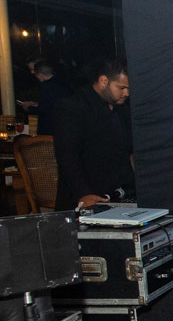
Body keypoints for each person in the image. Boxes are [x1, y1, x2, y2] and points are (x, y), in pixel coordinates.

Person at [52, 57, 134, 210]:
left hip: (120, 195)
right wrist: (83, 193)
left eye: (128, 88)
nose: (126, 93)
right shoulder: (73, 106)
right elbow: (67, 156)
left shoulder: (122, 109)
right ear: (103, 81)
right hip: (88, 197)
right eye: (122, 88)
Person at [18, 57, 72, 137]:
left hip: (50, 128)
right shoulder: (62, 83)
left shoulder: (46, 86)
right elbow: (53, 104)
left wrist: (28, 108)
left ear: (40, 75)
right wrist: (37, 105)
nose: (32, 73)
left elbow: (44, 110)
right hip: (65, 126)